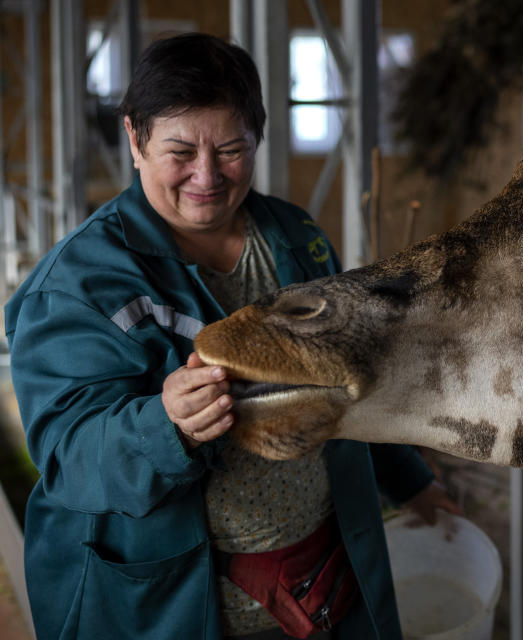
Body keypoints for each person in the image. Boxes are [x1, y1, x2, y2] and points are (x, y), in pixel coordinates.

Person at [5, 32, 460, 640]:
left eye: (230, 149)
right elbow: (67, 455)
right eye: (179, 151)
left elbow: (346, 382)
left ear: (257, 140)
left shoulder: (296, 237)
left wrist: (412, 481)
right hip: (176, 605)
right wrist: (162, 426)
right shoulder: (77, 287)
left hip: (322, 582)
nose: (207, 176)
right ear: (135, 139)